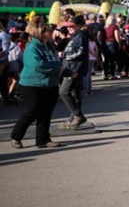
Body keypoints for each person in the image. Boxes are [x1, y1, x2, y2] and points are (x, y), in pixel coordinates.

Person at [9, 16, 62, 149]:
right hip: (32, 84)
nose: (51, 33)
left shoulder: (49, 47)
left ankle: (43, 139)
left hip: (50, 84)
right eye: (49, 31)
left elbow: (57, 62)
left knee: (46, 113)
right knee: (32, 111)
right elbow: (37, 65)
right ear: (42, 33)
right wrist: (57, 68)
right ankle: (16, 136)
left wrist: (65, 71)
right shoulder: (32, 47)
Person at [59, 15, 89, 128]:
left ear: (79, 25)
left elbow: (80, 52)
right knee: (75, 93)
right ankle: (74, 116)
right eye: (68, 27)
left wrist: (66, 56)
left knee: (63, 91)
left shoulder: (80, 36)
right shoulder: (74, 36)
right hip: (70, 68)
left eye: (72, 26)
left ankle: (77, 115)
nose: (69, 28)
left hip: (74, 68)